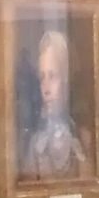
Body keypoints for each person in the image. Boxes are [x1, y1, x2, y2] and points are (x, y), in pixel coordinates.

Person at [20, 29, 90, 181]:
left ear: (66, 79)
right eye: (42, 78)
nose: (46, 89)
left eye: (53, 76)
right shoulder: (35, 145)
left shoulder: (83, 140)